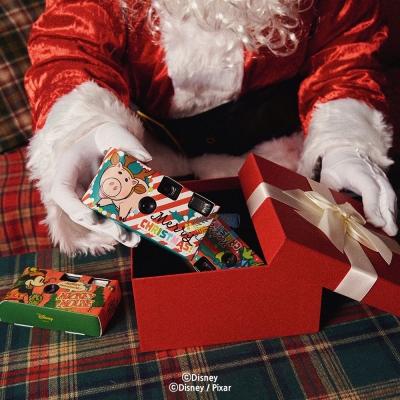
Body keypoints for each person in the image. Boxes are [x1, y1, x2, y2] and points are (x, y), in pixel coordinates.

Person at [25, 0, 398, 256]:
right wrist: (84, 128)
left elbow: (347, 55)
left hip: (288, 162)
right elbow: (68, 48)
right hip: (163, 172)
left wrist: (344, 144)